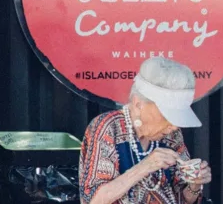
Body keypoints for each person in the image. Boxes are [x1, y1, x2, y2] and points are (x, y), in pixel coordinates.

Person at [79, 57, 213, 204]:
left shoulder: (172, 135)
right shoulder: (108, 128)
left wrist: (195, 184)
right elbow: (94, 200)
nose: (174, 126)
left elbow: (183, 199)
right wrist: (146, 166)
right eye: (167, 114)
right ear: (138, 104)